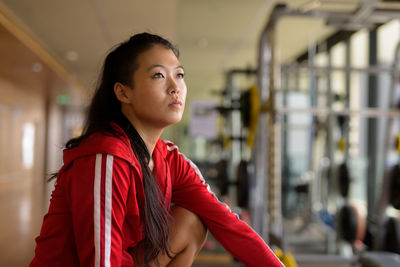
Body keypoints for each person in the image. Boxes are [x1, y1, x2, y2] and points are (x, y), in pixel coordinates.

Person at [30, 32, 283, 267]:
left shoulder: (170, 159)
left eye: (180, 75)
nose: (175, 87)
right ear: (123, 92)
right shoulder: (106, 158)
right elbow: (102, 261)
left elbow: (227, 224)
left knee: (191, 222)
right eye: (158, 75)